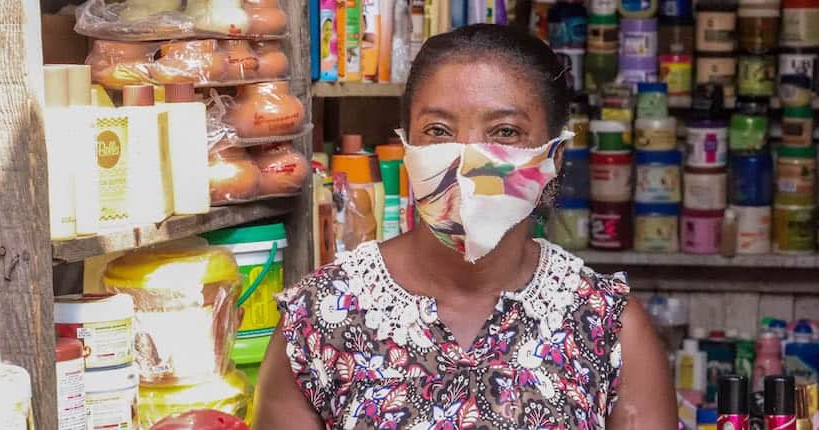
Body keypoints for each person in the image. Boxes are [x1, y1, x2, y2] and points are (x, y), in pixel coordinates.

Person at [254, 24, 677, 429]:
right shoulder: (317, 319)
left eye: (505, 131)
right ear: (407, 146)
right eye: (438, 131)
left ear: (555, 156)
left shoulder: (609, 326)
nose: (466, 159)